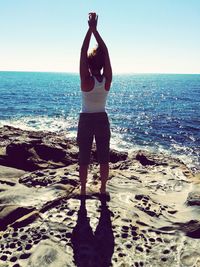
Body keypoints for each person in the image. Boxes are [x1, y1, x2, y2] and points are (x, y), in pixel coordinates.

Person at [77, 12, 112, 195]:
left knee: (84, 158)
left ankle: (83, 190)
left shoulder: (86, 80)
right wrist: (96, 31)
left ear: (89, 64)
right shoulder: (107, 80)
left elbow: (83, 52)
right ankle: (103, 189)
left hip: (86, 120)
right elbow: (105, 52)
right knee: (104, 158)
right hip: (102, 119)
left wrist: (89, 31)